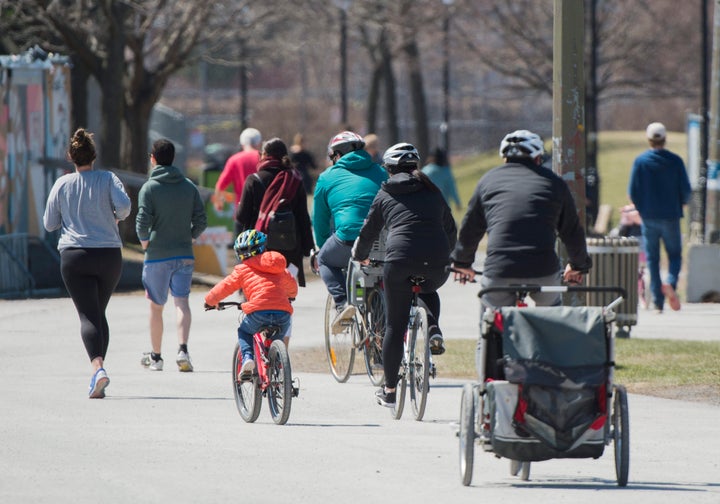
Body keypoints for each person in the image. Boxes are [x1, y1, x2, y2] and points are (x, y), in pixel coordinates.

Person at [352, 143, 457, 408]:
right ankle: (433, 328)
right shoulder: (433, 191)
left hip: (399, 260)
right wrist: (447, 253)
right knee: (428, 290)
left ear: (389, 168)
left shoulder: (386, 192)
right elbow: (450, 227)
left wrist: (359, 254)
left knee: (394, 327)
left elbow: (369, 230)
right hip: (436, 260)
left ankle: (389, 392)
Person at [451, 129, 592, 308]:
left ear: (505, 158)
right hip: (542, 269)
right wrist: (578, 265)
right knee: (550, 316)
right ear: (538, 157)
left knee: (490, 318)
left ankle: (489, 334)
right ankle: (547, 333)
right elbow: (571, 231)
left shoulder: (487, 181)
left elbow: (471, 228)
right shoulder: (554, 183)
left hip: (500, 269)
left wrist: (462, 262)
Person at [43, 128, 131, 399]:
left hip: (75, 255)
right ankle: (98, 373)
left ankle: (98, 369)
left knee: (87, 316)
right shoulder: (108, 179)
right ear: (94, 155)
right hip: (108, 255)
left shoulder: (62, 184)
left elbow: (49, 223)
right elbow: (125, 207)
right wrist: (113, 217)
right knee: (97, 313)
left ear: (71, 157)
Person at [136, 139, 208, 372]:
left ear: (153, 158)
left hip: (157, 254)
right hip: (184, 253)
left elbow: (142, 222)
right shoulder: (188, 186)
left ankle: (156, 357)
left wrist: (146, 242)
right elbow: (201, 219)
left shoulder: (149, 188)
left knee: (156, 307)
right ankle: (183, 350)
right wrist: (191, 237)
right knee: (182, 302)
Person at [312, 130, 388, 333]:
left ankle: (342, 302)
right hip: (383, 239)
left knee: (325, 259)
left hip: (348, 238)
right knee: (378, 280)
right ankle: (380, 350)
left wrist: (322, 245)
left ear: (337, 154)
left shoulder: (327, 177)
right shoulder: (381, 172)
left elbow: (319, 219)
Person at [204, 230, 298, 375]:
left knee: (244, 331)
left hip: (258, 312)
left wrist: (210, 301)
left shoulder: (243, 269)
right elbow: (292, 286)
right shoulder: (278, 268)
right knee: (277, 340)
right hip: (283, 314)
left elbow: (224, 287)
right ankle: (279, 373)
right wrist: (291, 296)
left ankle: (248, 358)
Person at [628, 122, 691, 313]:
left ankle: (657, 302)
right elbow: (686, 190)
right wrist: (681, 202)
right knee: (674, 255)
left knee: (653, 259)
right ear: (665, 139)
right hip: (671, 216)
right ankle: (670, 281)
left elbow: (633, 190)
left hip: (649, 218)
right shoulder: (675, 161)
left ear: (649, 139)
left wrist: (640, 208)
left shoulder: (641, 162)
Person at [213, 127, 262, 237]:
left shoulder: (234, 160)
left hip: (241, 211)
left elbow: (220, 185)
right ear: (259, 142)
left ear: (242, 142)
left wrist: (218, 203)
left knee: (242, 250)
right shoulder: (263, 158)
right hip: (262, 213)